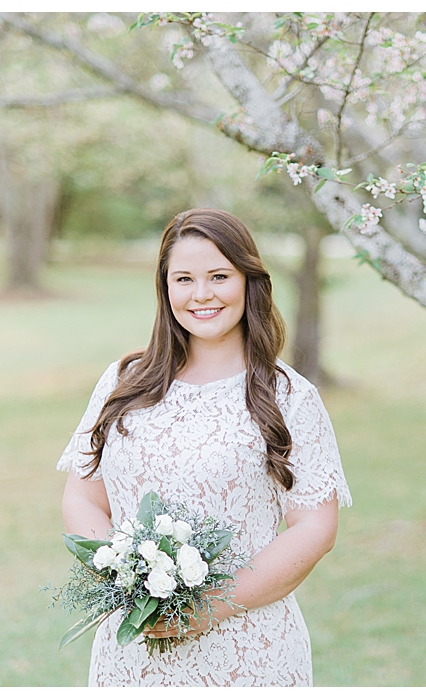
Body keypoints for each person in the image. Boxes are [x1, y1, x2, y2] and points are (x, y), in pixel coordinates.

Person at [56, 208, 350, 685]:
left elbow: (315, 526)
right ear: (165, 287)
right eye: (184, 278)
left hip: (249, 649)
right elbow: (84, 496)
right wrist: (125, 582)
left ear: (248, 280)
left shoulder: (288, 396)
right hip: (134, 649)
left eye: (219, 276)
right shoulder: (123, 382)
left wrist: (209, 608)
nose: (201, 294)